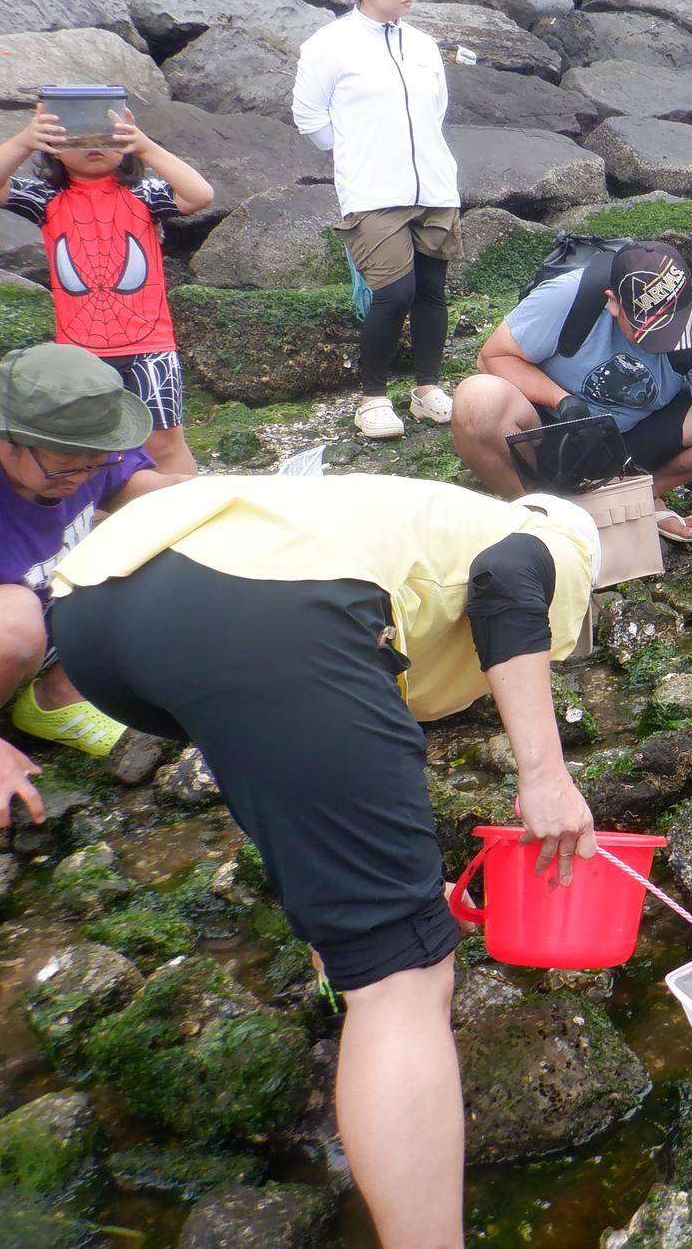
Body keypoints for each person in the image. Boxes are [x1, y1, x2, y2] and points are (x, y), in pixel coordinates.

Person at [50, 475, 601, 1249]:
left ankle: (336, 937)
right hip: (254, 610)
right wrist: (544, 775)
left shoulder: (410, 523)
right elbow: (510, 578)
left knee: (285, 767)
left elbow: (305, 737)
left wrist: (392, 873)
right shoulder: (562, 541)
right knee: (403, 978)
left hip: (94, 610)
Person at [0, 346, 185, 825]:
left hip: (49, 598)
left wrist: (226, 496)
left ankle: (54, 700)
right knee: (7, 624)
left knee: (176, 531)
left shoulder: (82, 448)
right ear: (7, 439)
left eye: (95, 464)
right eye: (66, 468)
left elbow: (129, 488)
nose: (82, 478)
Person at [451, 241, 692, 569]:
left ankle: (639, 495)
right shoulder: (568, 296)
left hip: (634, 444)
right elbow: (493, 356)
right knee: (476, 400)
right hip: (557, 433)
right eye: (651, 332)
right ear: (613, 303)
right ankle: (539, 515)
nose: (668, 340)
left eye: (673, 328)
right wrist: (562, 400)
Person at [0, 100, 213, 476]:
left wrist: (144, 144)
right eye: (77, 138)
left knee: (164, 441)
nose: (92, 145)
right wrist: (26, 139)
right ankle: (95, 511)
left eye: (106, 136)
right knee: (84, 441)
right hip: (81, 351)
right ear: (57, 150)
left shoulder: (143, 195)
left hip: (151, 346)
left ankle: (192, 516)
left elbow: (200, 195)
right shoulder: (48, 199)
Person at [293, 0, 461, 442]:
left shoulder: (424, 45)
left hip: (434, 183)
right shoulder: (328, 44)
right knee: (394, 293)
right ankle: (372, 398)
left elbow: (436, 111)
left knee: (432, 290)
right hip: (372, 190)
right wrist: (357, 150)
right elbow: (309, 117)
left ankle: (427, 387)